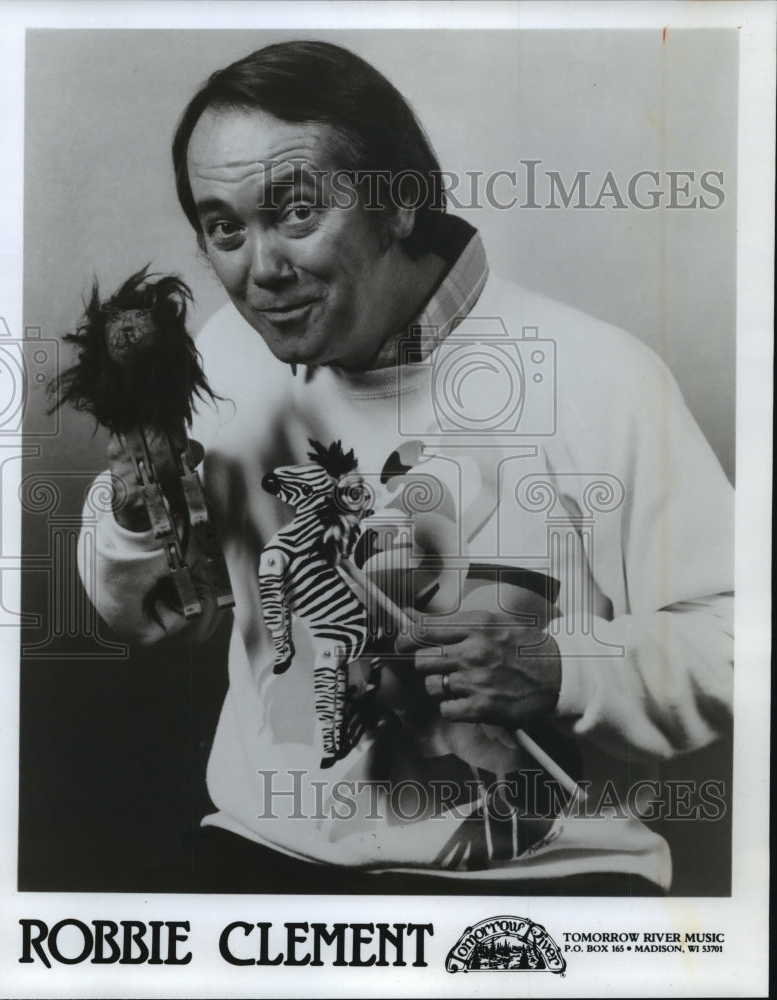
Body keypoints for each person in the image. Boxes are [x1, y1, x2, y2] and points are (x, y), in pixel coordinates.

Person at [82, 40, 733, 894]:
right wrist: (134, 519)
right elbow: (159, 614)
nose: (260, 271)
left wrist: (564, 666)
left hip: (545, 880)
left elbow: (737, 641)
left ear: (398, 202)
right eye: (225, 227)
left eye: (296, 213)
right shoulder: (225, 358)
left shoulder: (601, 375)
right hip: (266, 856)